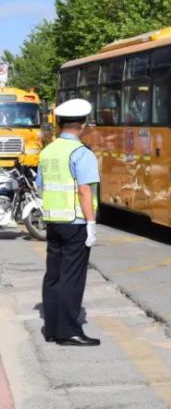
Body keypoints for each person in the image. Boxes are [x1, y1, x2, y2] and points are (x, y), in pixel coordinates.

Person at [38, 99, 101, 347]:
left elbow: (40, 185)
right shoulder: (81, 153)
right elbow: (85, 191)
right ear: (82, 125)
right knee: (72, 278)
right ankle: (68, 332)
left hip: (53, 220)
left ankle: (52, 329)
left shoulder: (47, 151)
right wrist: (91, 223)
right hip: (75, 222)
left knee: (53, 275)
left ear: (61, 124)